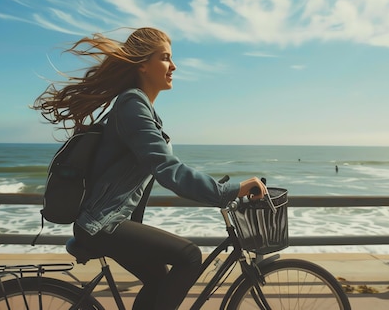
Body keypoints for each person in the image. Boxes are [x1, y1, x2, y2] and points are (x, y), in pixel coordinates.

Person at [32, 27, 266, 310]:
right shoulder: (133, 105)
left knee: (158, 279)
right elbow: (167, 168)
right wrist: (227, 190)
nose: (174, 66)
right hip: (103, 224)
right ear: (143, 64)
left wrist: (216, 188)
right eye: (166, 58)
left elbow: (162, 168)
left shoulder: (138, 106)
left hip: (105, 221)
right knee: (190, 256)